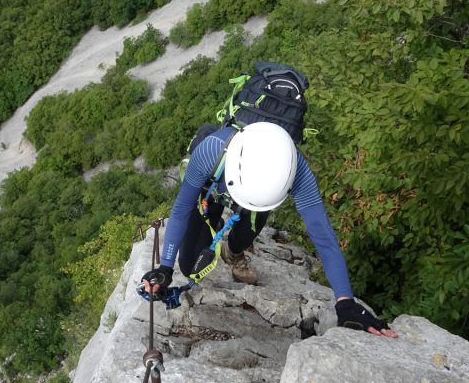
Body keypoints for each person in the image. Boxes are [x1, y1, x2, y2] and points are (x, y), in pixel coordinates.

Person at [141, 119, 397, 338]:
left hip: (257, 195)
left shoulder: (295, 169)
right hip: (214, 186)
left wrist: (346, 303)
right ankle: (215, 220)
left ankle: (234, 250)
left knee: (246, 230)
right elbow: (182, 208)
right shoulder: (211, 151)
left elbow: (324, 237)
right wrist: (165, 267)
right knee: (188, 265)